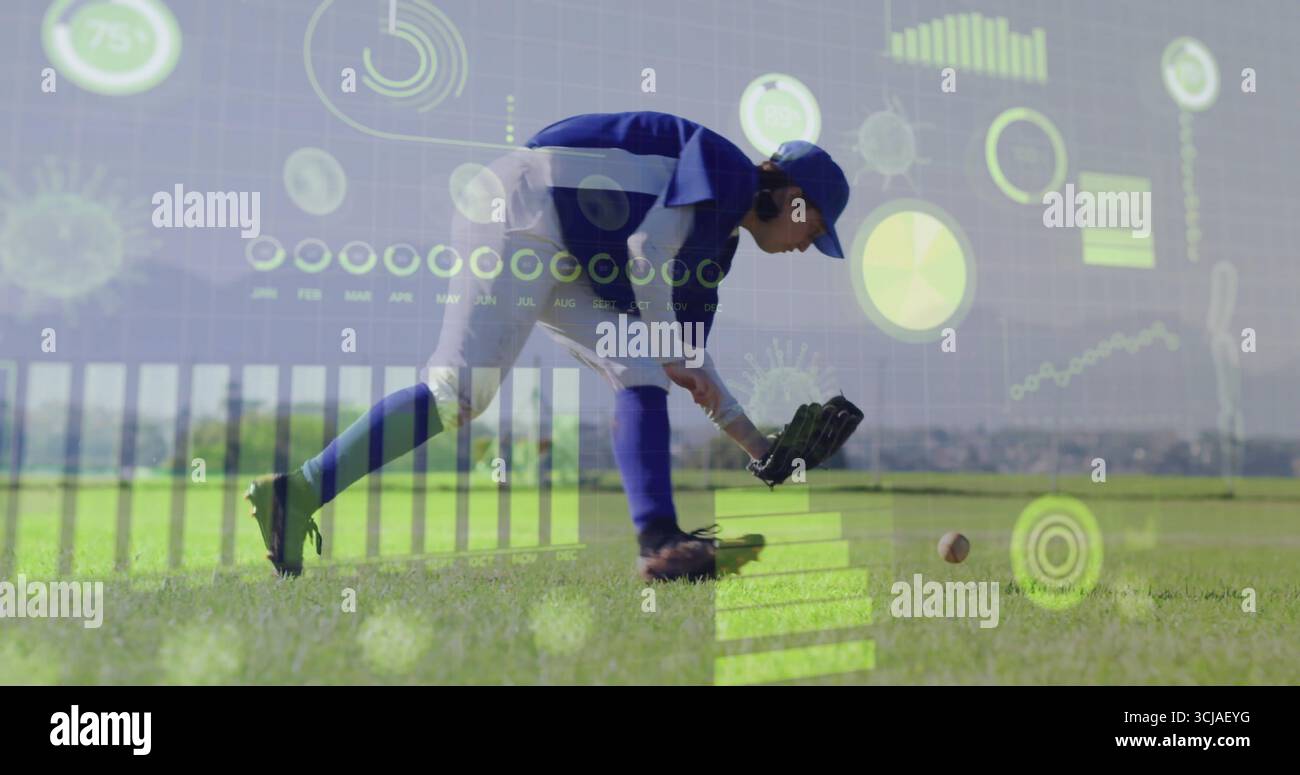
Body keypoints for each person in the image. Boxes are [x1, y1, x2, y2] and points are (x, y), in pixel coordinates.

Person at [246, 111, 849, 581]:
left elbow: (688, 360)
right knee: (458, 395)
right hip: (517, 210)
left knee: (641, 366)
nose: (806, 244)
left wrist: (759, 447)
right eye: (814, 227)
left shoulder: (717, 244)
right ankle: (298, 491)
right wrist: (669, 346)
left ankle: (660, 542)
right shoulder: (727, 172)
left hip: (564, 244)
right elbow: (645, 252)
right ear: (792, 194)